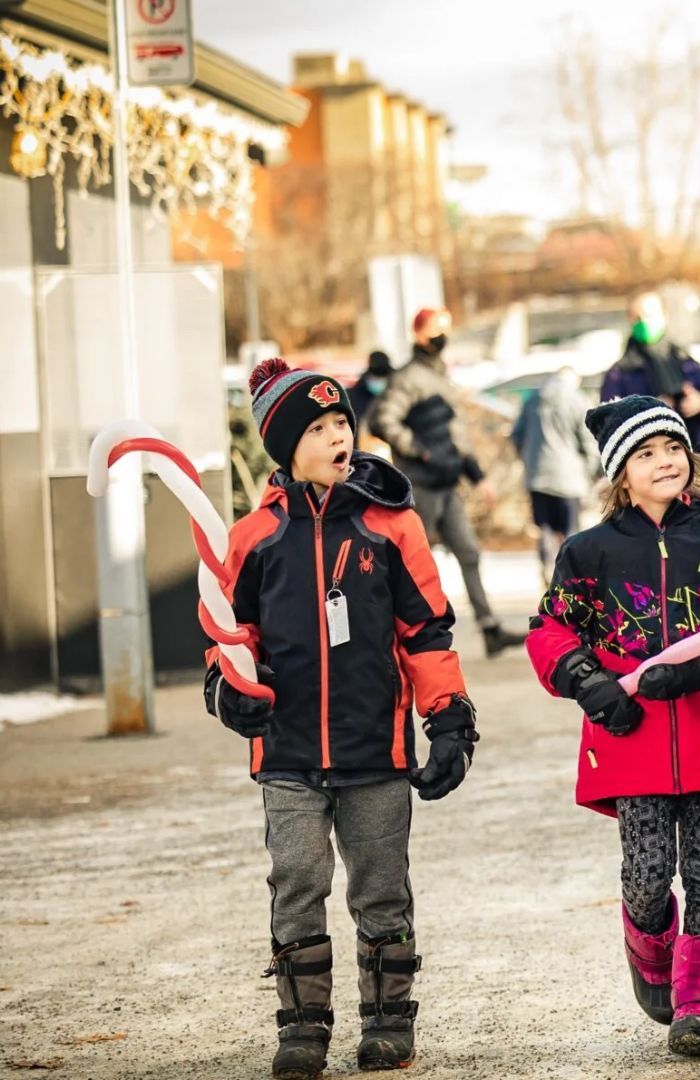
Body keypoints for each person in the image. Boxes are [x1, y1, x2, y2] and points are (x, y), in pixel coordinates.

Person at [209, 358, 478, 1078]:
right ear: (284, 446)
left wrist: (448, 716)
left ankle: (389, 1019)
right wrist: (228, 690)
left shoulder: (392, 526)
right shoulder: (253, 539)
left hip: (374, 750)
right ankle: (302, 1024)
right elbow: (230, 642)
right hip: (288, 752)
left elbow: (427, 633)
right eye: (319, 428)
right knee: (296, 878)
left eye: (342, 425)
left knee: (381, 885)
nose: (338, 438)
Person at [526, 395, 700, 1059]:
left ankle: (699, 1000)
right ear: (620, 473)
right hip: (632, 736)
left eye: (672, 447)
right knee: (646, 873)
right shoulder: (589, 553)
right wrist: (589, 684)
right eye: (646, 453)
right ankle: (652, 954)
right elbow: (550, 630)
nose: (664, 461)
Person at [370, 308, 525, 657]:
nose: (444, 336)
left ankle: (490, 629)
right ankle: (397, 635)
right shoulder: (409, 378)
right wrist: (420, 451)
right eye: (438, 330)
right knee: (410, 562)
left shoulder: (440, 377)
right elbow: (383, 420)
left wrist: (477, 476)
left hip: (448, 485)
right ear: (420, 335)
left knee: (468, 552)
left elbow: (457, 437)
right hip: (421, 485)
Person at [601, 304, 700, 471]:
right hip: (650, 471)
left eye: (650, 315)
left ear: (664, 317)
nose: (645, 322)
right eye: (638, 318)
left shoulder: (683, 360)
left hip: (697, 462)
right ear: (630, 321)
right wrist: (650, 411)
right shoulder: (620, 373)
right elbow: (607, 423)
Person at [510, 367, 598, 581]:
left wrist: (528, 460)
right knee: (570, 531)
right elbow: (588, 439)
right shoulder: (578, 400)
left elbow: (516, 434)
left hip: (537, 477)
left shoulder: (533, 399)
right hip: (569, 478)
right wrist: (589, 469)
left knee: (545, 529)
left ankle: (548, 568)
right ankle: (570, 577)